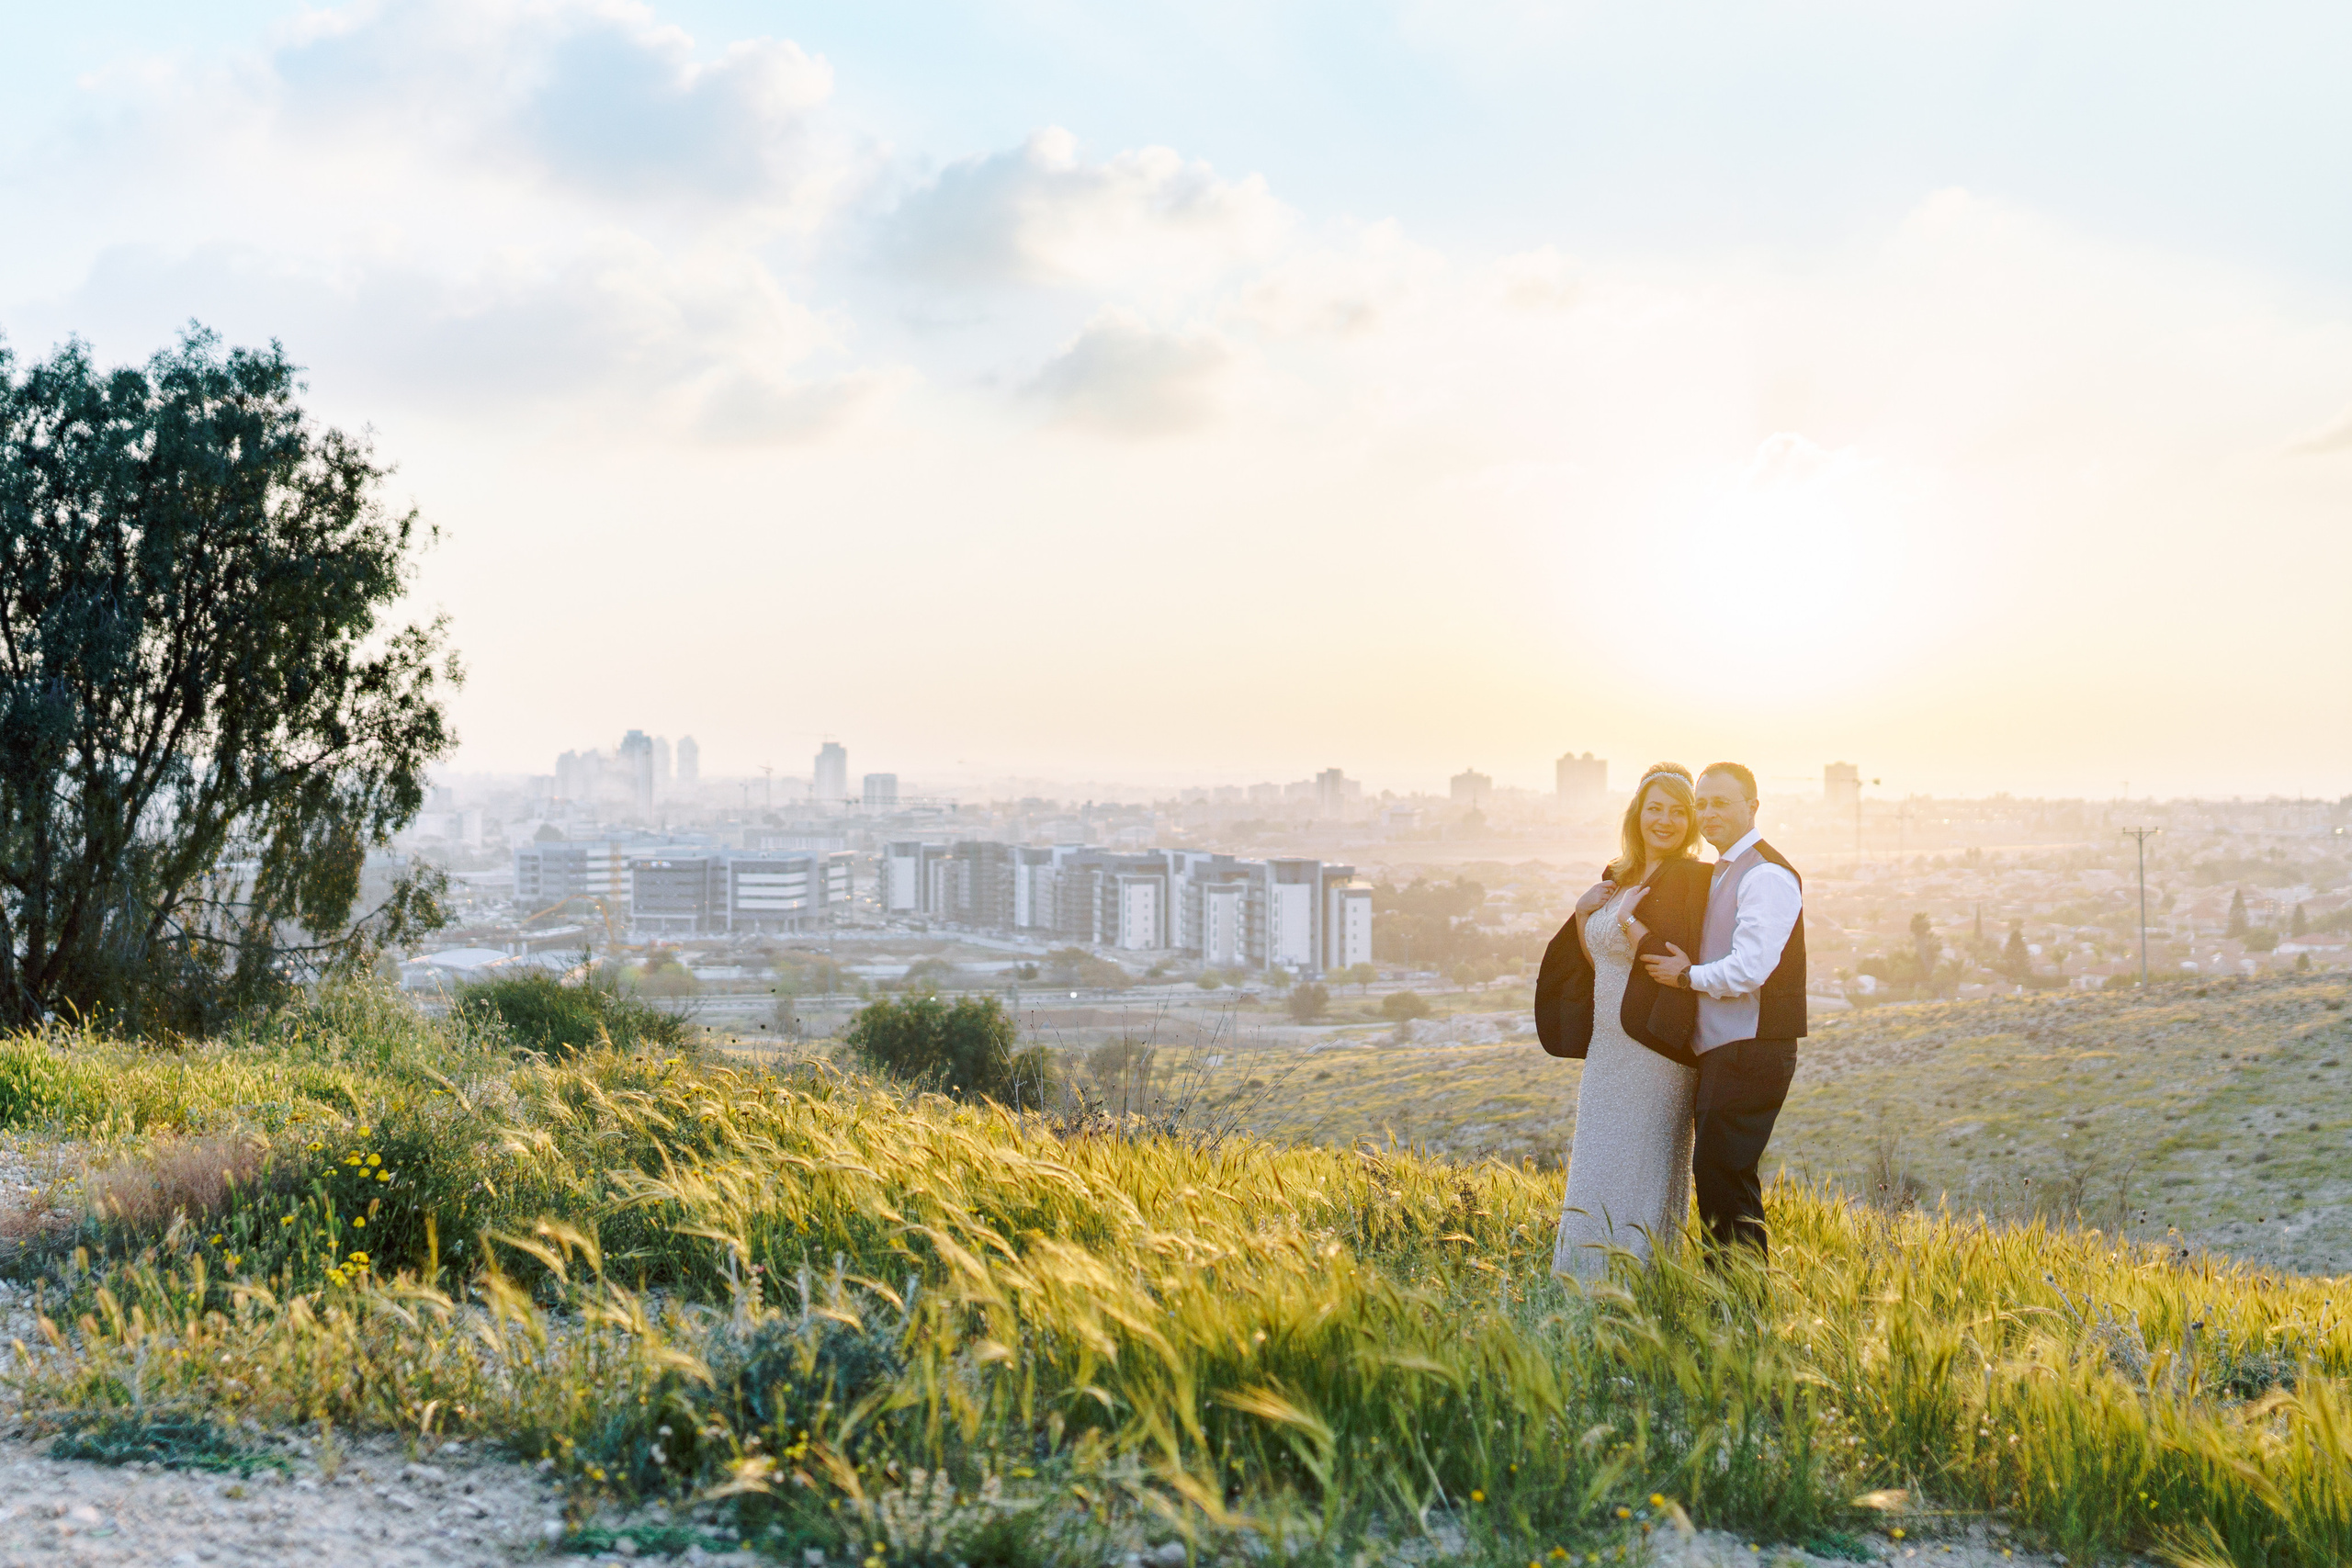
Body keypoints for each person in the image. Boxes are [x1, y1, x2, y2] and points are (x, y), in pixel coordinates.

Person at [1533, 764, 1713, 1280]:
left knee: (1641, 1165)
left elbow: (1670, 965)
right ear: (1637, 814)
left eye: (1678, 811)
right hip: (1608, 1046)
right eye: (1655, 808)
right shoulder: (1616, 875)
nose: (1665, 820)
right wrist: (1582, 913)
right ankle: (1582, 1278)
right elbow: (1599, 963)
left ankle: (1637, 1283)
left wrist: (1631, 924)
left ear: (1691, 822)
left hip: (1655, 1049)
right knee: (1597, 1160)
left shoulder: (1693, 879)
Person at [1639, 762, 1806, 1258]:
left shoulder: (1766, 874)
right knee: (1719, 1177)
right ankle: (1734, 1292)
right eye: (1702, 804)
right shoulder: (1726, 869)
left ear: (1752, 807)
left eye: (1721, 803)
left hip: (1750, 1049)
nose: (1708, 813)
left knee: (1724, 1178)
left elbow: (1750, 969)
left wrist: (1686, 976)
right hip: (1728, 1049)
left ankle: (1741, 1293)